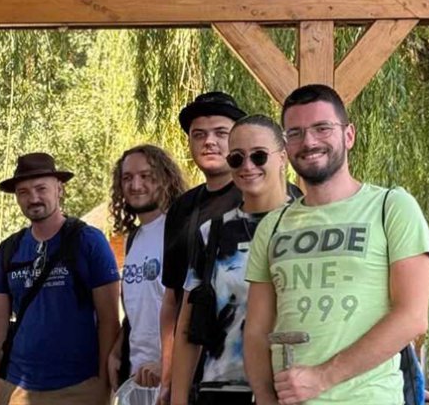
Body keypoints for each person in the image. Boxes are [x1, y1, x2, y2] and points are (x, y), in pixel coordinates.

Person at [245, 84, 429, 405]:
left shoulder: (391, 207)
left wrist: (322, 378)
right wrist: (264, 396)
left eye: (322, 128)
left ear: (349, 135)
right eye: (295, 133)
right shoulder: (273, 225)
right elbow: (256, 329)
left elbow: (412, 316)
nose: (309, 142)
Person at [171, 115, 299, 404]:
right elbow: (188, 325)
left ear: (282, 157)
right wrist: (177, 398)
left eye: (259, 156)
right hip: (221, 388)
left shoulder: (308, 226)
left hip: (291, 387)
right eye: (237, 158)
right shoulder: (212, 232)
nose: (247, 166)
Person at [0, 153, 120, 405]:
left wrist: (103, 385)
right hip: (16, 387)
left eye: (41, 188)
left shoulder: (88, 241)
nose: (33, 198)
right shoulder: (9, 249)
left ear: (59, 189)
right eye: (23, 192)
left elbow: (109, 318)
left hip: (78, 388)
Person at [160, 92, 247, 403]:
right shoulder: (182, 208)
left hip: (254, 371)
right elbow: (173, 299)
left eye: (221, 133)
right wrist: (169, 377)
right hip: (197, 376)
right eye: (199, 134)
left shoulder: (264, 196)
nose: (209, 141)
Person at [107, 145, 187, 397]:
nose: (135, 185)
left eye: (146, 176)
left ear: (165, 178)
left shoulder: (180, 231)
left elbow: (191, 307)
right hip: (138, 379)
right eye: (127, 178)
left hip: (173, 378)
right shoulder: (133, 239)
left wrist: (169, 363)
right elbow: (138, 307)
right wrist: (117, 350)